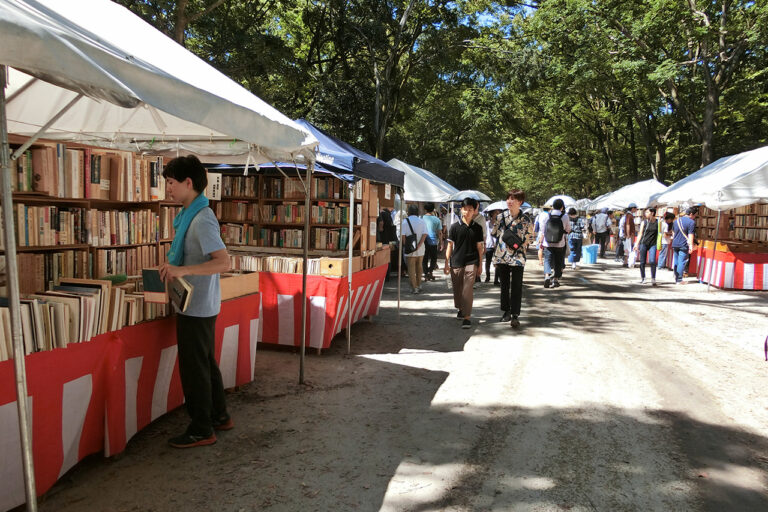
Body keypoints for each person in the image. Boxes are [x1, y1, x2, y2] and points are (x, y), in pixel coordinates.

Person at [159, 155, 231, 448]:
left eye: (171, 183)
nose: (168, 189)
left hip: (196, 305)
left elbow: (224, 263)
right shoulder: (193, 215)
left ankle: (202, 428)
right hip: (199, 303)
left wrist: (183, 269)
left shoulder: (201, 219)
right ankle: (219, 415)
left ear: (189, 183)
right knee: (204, 363)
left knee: (194, 368)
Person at [492, 189, 533, 328]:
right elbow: (496, 235)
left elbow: (530, 238)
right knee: (504, 285)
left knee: (516, 286)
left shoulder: (526, 219)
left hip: (518, 257)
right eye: (508, 198)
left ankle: (515, 314)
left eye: (513, 199)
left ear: (520, 202)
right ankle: (506, 311)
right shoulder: (500, 217)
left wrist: (517, 243)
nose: (509, 201)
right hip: (502, 256)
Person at [444, 197, 484, 329]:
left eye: (470, 209)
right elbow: (450, 246)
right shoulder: (455, 227)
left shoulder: (477, 228)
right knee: (458, 289)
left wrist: (480, 264)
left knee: (467, 289)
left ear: (474, 211)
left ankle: (467, 317)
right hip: (456, 261)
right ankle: (460, 308)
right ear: (461, 210)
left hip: (472, 261)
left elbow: (480, 247)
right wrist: (446, 263)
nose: (467, 212)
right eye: (465, 209)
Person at [537, 198, 571, 288]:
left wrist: (542, 238)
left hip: (547, 242)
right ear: (562, 207)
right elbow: (568, 229)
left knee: (547, 259)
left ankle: (547, 276)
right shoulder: (565, 216)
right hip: (560, 243)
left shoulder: (547, 215)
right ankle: (555, 279)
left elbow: (543, 229)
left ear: (552, 206)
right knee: (558, 260)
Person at [401, 204, 427, 293]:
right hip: (420, 248)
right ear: (417, 212)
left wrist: (406, 245)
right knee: (419, 267)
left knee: (411, 268)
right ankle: (419, 285)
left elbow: (403, 236)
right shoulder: (422, 221)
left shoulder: (404, 222)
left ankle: (414, 287)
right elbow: (425, 234)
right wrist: (419, 245)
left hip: (409, 249)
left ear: (409, 212)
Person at [672, 206, 697, 284]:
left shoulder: (676, 221)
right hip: (684, 244)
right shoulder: (691, 222)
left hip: (675, 243)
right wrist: (691, 246)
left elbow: (673, 232)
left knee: (676, 261)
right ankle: (679, 279)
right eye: (695, 215)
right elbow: (690, 234)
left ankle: (676, 277)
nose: (695, 217)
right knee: (682, 261)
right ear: (691, 214)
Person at [634, 207, 658, 285]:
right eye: (645, 212)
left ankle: (653, 278)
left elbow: (660, 233)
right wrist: (636, 244)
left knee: (652, 261)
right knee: (642, 262)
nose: (645, 214)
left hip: (653, 244)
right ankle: (643, 277)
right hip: (643, 243)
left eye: (647, 212)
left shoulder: (658, 222)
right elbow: (640, 233)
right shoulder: (644, 222)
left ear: (652, 213)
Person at [421, 203, 442, 281]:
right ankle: (430, 271)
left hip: (423, 240)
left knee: (425, 258)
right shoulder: (437, 219)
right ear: (433, 210)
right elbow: (439, 232)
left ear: (425, 209)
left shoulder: (421, 218)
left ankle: (426, 273)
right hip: (433, 241)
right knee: (434, 258)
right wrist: (441, 242)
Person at [484, 210, 500, 284]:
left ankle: (496, 279)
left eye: (498, 213)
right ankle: (488, 276)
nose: (497, 214)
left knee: (497, 262)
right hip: (489, 244)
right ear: (492, 214)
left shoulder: (499, 224)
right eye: (496, 213)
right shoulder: (487, 224)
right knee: (488, 262)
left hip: (498, 245)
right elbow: (485, 234)